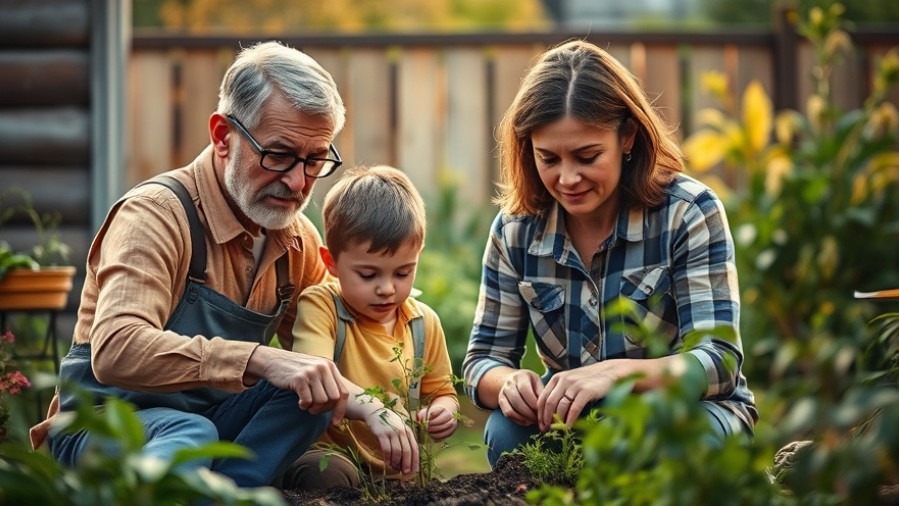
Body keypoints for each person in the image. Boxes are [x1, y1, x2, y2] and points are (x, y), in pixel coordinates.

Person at [27, 41, 401, 489]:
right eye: (279, 155)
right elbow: (116, 349)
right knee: (191, 433)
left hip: (214, 425)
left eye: (315, 159)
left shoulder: (297, 241)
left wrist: (380, 408)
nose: (299, 181)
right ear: (223, 137)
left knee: (310, 407)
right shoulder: (156, 215)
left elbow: (328, 348)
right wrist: (259, 359)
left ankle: (211, 491)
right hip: (105, 427)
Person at [461, 39, 758, 468]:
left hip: (683, 414)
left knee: (688, 444)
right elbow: (481, 362)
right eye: (549, 158)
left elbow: (717, 361)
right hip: (572, 421)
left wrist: (616, 374)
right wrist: (508, 383)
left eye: (587, 156)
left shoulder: (687, 212)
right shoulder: (516, 230)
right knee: (506, 434)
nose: (567, 178)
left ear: (628, 137)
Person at [282, 165, 459, 490]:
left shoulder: (423, 323)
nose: (387, 289)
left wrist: (443, 412)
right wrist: (373, 407)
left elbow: (442, 392)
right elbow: (314, 371)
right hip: (331, 453)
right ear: (330, 262)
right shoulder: (323, 306)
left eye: (403, 273)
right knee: (324, 475)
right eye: (368, 275)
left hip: (399, 471)